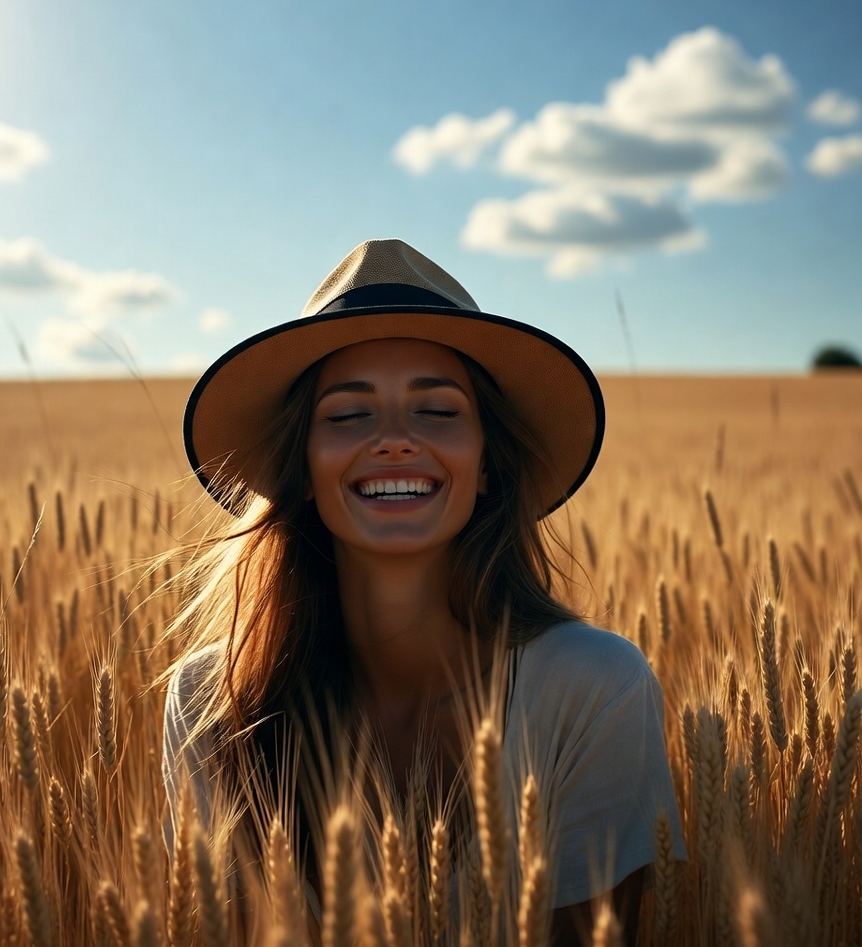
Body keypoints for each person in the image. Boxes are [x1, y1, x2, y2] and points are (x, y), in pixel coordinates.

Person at [163, 238, 686, 943]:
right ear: (303, 474)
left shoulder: (592, 687)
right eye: (348, 415)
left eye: (437, 411)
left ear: (488, 466)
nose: (395, 440)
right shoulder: (212, 701)